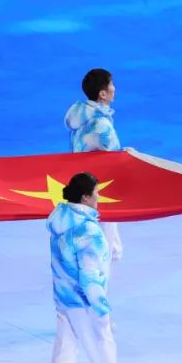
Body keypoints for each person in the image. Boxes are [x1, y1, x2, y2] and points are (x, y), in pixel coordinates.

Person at [45, 172, 147, 363]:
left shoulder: (59, 219)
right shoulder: (89, 232)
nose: (99, 198)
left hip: (64, 299)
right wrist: (101, 308)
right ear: (85, 197)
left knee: (65, 351)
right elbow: (90, 276)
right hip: (84, 303)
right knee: (102, 348)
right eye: (96, 193)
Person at [65, 68, 123, 275]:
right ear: (102, 93)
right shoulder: (100, 124)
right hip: (98, 188)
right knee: (103, 245)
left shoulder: (80, 117)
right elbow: (113, 154)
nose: (115, 89)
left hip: (82, 183)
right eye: (111, 84)